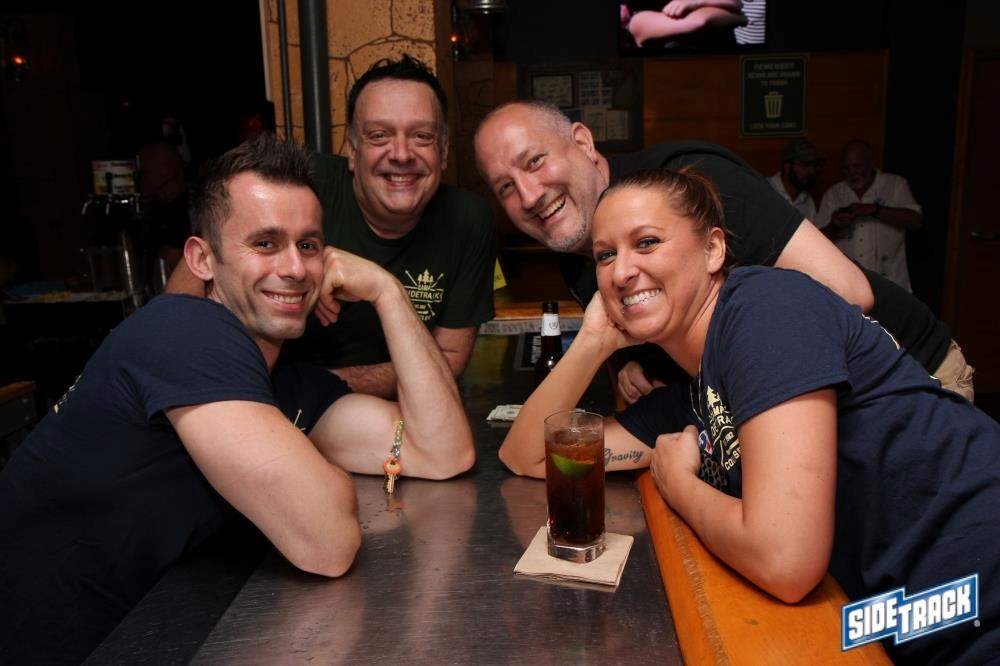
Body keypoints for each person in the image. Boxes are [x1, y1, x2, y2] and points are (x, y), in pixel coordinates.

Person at [0, 134, 475, 664]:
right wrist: (320, 474)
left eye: (309, 245)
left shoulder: (286, 384)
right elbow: (326, 542)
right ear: (202, 258)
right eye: (266, 243)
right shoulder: (182, 332)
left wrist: (388, 292)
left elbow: (443, 452)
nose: (295, 268)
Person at [502, 167, 1000, 663]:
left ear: (713, 249)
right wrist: (593, 340)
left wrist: (679, 484)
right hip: (915, 621)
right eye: (605, 255)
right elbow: (528, 454)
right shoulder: (692, 393)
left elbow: (785, 560)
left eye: (647, 242)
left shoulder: (766, 309)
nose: (621, 271)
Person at [473, 100, 975, 402]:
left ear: (583, 143)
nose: (529, 195)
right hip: (806, 404)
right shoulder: (581, 256)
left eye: (534, 161)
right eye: (505, 188)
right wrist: (638, 366)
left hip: (912, 379)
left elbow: (848, 293)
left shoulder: (691, 182)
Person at [167, 55, 497, 400]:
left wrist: (315, 389)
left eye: (422, 136)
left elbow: (449, 358)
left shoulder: (468, 219)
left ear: (443, 150)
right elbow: (176, 313)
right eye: (379, 135)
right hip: (247, 391)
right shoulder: (302, 185)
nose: (401, 154)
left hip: (370, 406)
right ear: (352, 150)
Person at [815, 139, 923, 292]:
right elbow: (817, 242)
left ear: (871, 163)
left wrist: (874, 210)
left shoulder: (895, 185)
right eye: (846, 168)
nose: (851, 173)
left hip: (891, 285)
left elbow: (916, 221)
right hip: (848, 288)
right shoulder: (834, 194)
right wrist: (834, 226)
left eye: (857, 166)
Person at [621, 0, 748, 48]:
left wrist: (696, 2)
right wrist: (739, 17)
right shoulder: (638, 20)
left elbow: (735, 3)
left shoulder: (686, 3)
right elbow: (700, 22)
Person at [767, 137, 822, 221]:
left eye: (814, 166)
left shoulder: (808, 201)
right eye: (805, 165)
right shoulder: (765, 190)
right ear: (787, 167)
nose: (811, 171)